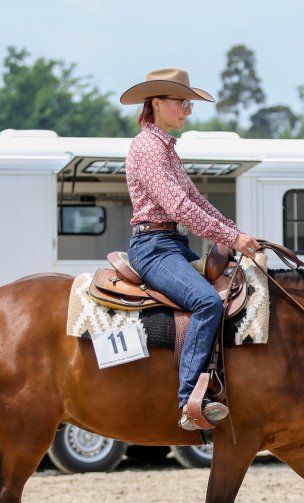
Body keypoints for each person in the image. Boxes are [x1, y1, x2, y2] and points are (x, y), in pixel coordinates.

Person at [120, 68, 261, 430]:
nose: (188, 109)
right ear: (157, 103)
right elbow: (179, 208)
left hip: (170, 244)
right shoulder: (148, 147)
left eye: (189, 103)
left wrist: (236, 233)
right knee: (206, 302)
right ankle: (188, 401)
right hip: (153, 247)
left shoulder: (165, 146)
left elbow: (195, 199)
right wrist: (231, 239)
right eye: (182, 102)